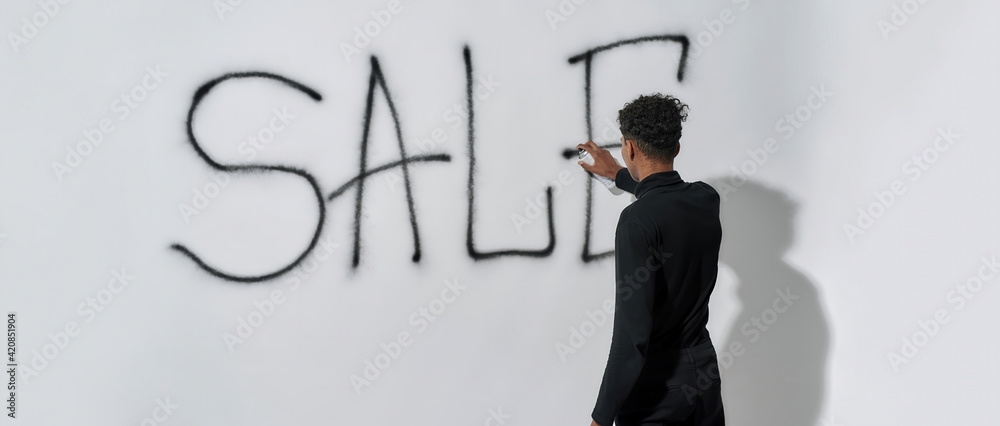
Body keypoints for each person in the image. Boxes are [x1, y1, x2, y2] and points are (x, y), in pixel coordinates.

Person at [576, 93, 725, 426]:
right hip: (704, 380)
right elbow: (667, 199)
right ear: (676, 148)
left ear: (629, 148)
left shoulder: (636, 222)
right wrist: (618, 176)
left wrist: (600, 418)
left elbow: (632, 339)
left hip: (657, 393)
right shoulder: (706, 199)